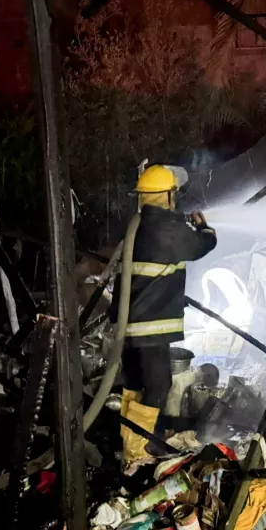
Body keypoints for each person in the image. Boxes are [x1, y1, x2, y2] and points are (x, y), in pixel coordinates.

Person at [111, 165, 217, 463]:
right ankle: (137, 452)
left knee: (134, 384)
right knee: (159, 385)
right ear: (168, 195)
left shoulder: (141, 225)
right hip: (151, 323)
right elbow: (202, 246)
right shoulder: (167, 228)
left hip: (130, 323)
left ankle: (134, 439)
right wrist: (204, 228)